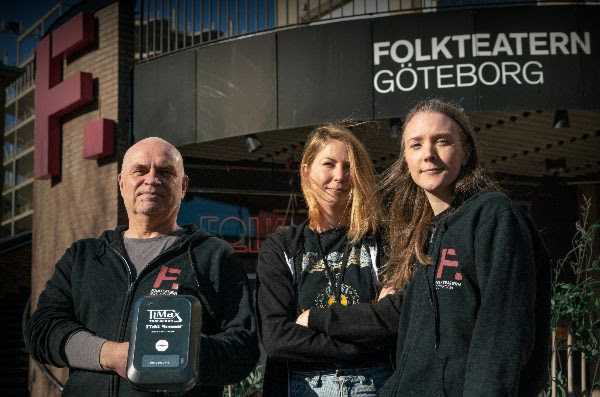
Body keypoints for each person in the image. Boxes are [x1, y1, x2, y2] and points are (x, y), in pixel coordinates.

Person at [297, 99, 551, 396]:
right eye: (416, 145)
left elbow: (501, 334)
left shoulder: (493, 215)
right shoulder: (424, 233)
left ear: (466, 150)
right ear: (405, 157)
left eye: (441, 141)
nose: (428, 154)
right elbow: (413, 354)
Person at [26, 137, 259, 397]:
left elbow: (243, 348)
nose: (151, 179)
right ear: (121, 183)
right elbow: (41, 331)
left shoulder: (213, 256)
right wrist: (111, 354)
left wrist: (179, 350)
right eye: (140, 170)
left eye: (165, 172)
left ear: (182, 186)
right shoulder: (84, 257)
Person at [256, 124, 393, 397]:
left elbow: (393, 320)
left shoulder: (381, 241)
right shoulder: (282, 247)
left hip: (375, 384)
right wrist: (365, 336)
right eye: (329, 164)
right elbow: (277, 338)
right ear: (306, 171)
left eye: (348, 166)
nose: (339, 176)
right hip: (300, 385)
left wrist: (312, 319)